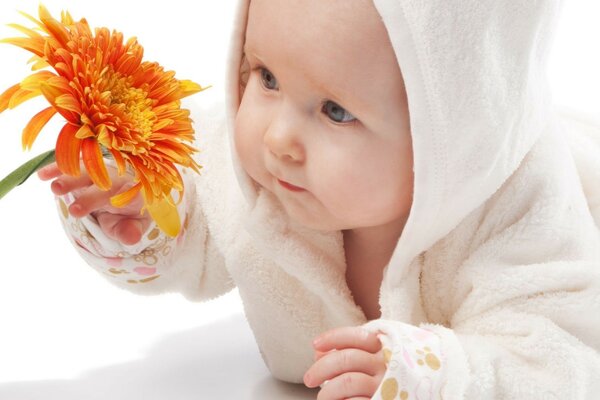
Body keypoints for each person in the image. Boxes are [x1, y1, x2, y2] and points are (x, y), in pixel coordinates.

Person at [38, 0, 600, 398]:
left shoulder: (520, 213)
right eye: (266, 77)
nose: (278, 139)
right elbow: (197, 221)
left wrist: (434, 377)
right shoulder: (257, 162)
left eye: (336, 111)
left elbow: (564, 364)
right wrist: (140, 210)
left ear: (454, 133)